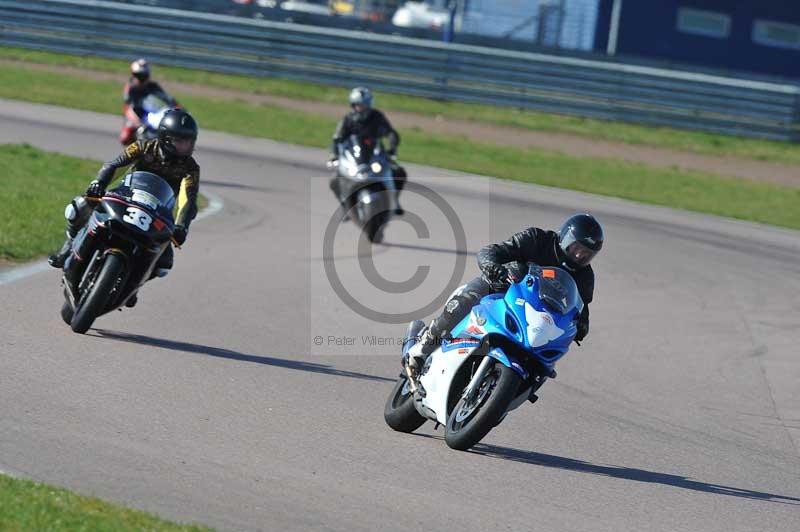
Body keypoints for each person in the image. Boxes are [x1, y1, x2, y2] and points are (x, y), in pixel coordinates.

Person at [406, 213, 604, 369]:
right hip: (501, 289)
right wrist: (492, 266)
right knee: (465, 302)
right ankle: (423, 347)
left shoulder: (585, 277)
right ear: (566, 237)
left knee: (547, 361)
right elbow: (491, 251)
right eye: (577, 247)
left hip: (537, 318)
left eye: (587, 254)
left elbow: (581, 308)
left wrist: (582, 326)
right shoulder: (537, 239)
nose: (579, 255)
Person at [49, 109, 200, 306]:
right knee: (80, 206)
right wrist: (99, 183)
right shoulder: (143, 147)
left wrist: (182, 226)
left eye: (188, 142)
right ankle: (67, 248)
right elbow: (114, 165)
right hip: (125, 197)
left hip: (157, 212)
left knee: (164, 263)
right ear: (165, 138)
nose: (185, 147)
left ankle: (135, 284)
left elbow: (188, 199)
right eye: (180, 141)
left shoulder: (191, 168)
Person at [329, 86, 407, 216]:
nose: (360, 108)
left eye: (363, 105)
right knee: (334, 180)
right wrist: (334, 155)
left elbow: (390, 133)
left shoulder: (377, 117)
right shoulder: (347, 119)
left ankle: (394, 201)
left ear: (369, 105)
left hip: (375, 155)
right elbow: (337, 138)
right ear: (352, 105)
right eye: (357, 105)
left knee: (398, 172)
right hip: (354, 158)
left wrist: (392, 148)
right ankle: (345, 206)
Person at [119, 58, 180, 145]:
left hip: (148, 113)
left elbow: (168, 99)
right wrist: (138, 123)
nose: (140, 79)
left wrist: (179, 109)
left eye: (143, 76)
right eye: (138, 76)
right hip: (134, 115)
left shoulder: (152, 86)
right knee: (125, 137)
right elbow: (127, 108)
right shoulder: (130, 88)